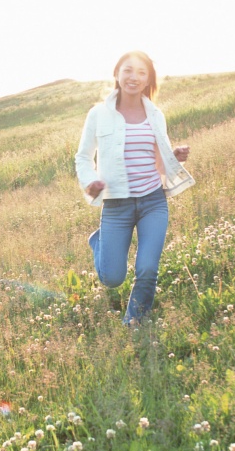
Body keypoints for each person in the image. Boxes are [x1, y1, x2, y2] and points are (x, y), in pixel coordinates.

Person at [75, 51, 194, 325]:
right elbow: (82, 157)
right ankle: (99, 242)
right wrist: (89, 181)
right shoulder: (98, 114)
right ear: (117, 73)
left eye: (142, 72)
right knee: (112, 278)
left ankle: (134, 322)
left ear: (148, 79)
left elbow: (157, 162)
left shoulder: (155, 114)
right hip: (116, 206)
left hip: (153, 201)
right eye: (129, 70)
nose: (134, 77)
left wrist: (172, 156)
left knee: (148, 269)